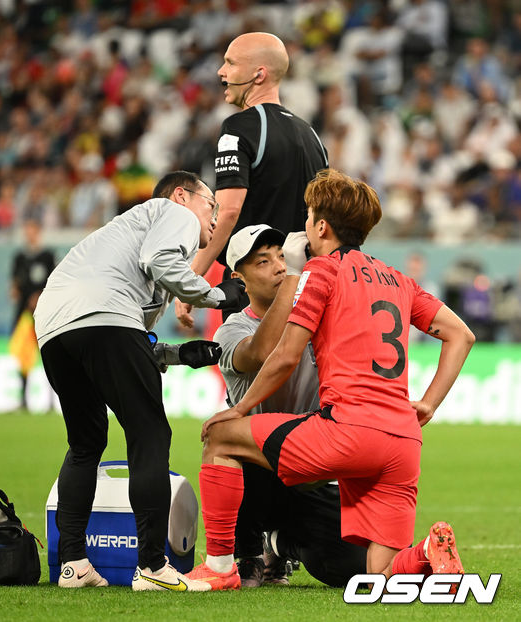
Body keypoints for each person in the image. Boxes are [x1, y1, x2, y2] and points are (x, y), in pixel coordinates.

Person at [184, 169, 475, 590]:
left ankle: (221, 567)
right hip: (403, 441)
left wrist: (239, 410)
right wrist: (428, 403)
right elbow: (461, 334)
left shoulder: (321, 272)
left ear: (321, 226)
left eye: (308, 217)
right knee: (377, 578)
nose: (304, 225)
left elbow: (284, 357)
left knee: (222, 438)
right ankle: (425, 553)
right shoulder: (399, 279)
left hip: (346, 431)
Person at [34, 170, 246, 591]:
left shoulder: (125, 236)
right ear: (183, 195)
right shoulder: (173, 212)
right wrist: (219, 296)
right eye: (211, 204)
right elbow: (157, 266)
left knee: (86, 442)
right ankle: (151, 565)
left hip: (53, 330)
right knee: (149, 434)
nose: (215, 215)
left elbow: (132, 344)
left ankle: (73, 564)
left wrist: (176, 354)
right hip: (104, 318)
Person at [215, 223, 366, 587]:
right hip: (259, 470)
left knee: (353, 568)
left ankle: (282, 545)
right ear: (240, 279)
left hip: (312, 469)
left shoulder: (322, 321)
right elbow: (264, 353)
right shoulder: (231, 330)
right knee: (225, 442)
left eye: (283, 256)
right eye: (263, 261)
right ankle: (246, 551)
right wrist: (297, 279)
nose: (280, 266)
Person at [176, 31, 328, 328]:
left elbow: (229, 210)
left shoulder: (238, 127)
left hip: (255, 291)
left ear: (259, 74)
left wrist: (191, 281)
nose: (221, 72)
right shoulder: (312, 135)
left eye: (230, 63)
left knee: (252, 373)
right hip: (304, 290)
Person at [10, 218, 55, 408]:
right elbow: (14, 284)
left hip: (43, 315)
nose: (29, 234)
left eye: (32, 230)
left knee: (49, 355)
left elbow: (54, 282)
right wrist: (14, 290)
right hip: (24, 316)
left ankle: (51, 400)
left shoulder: (47, 256)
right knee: (24, 356)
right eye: (26, 230)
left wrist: (40, 295)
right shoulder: (19, 257)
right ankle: (23, 400)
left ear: (38, 232)